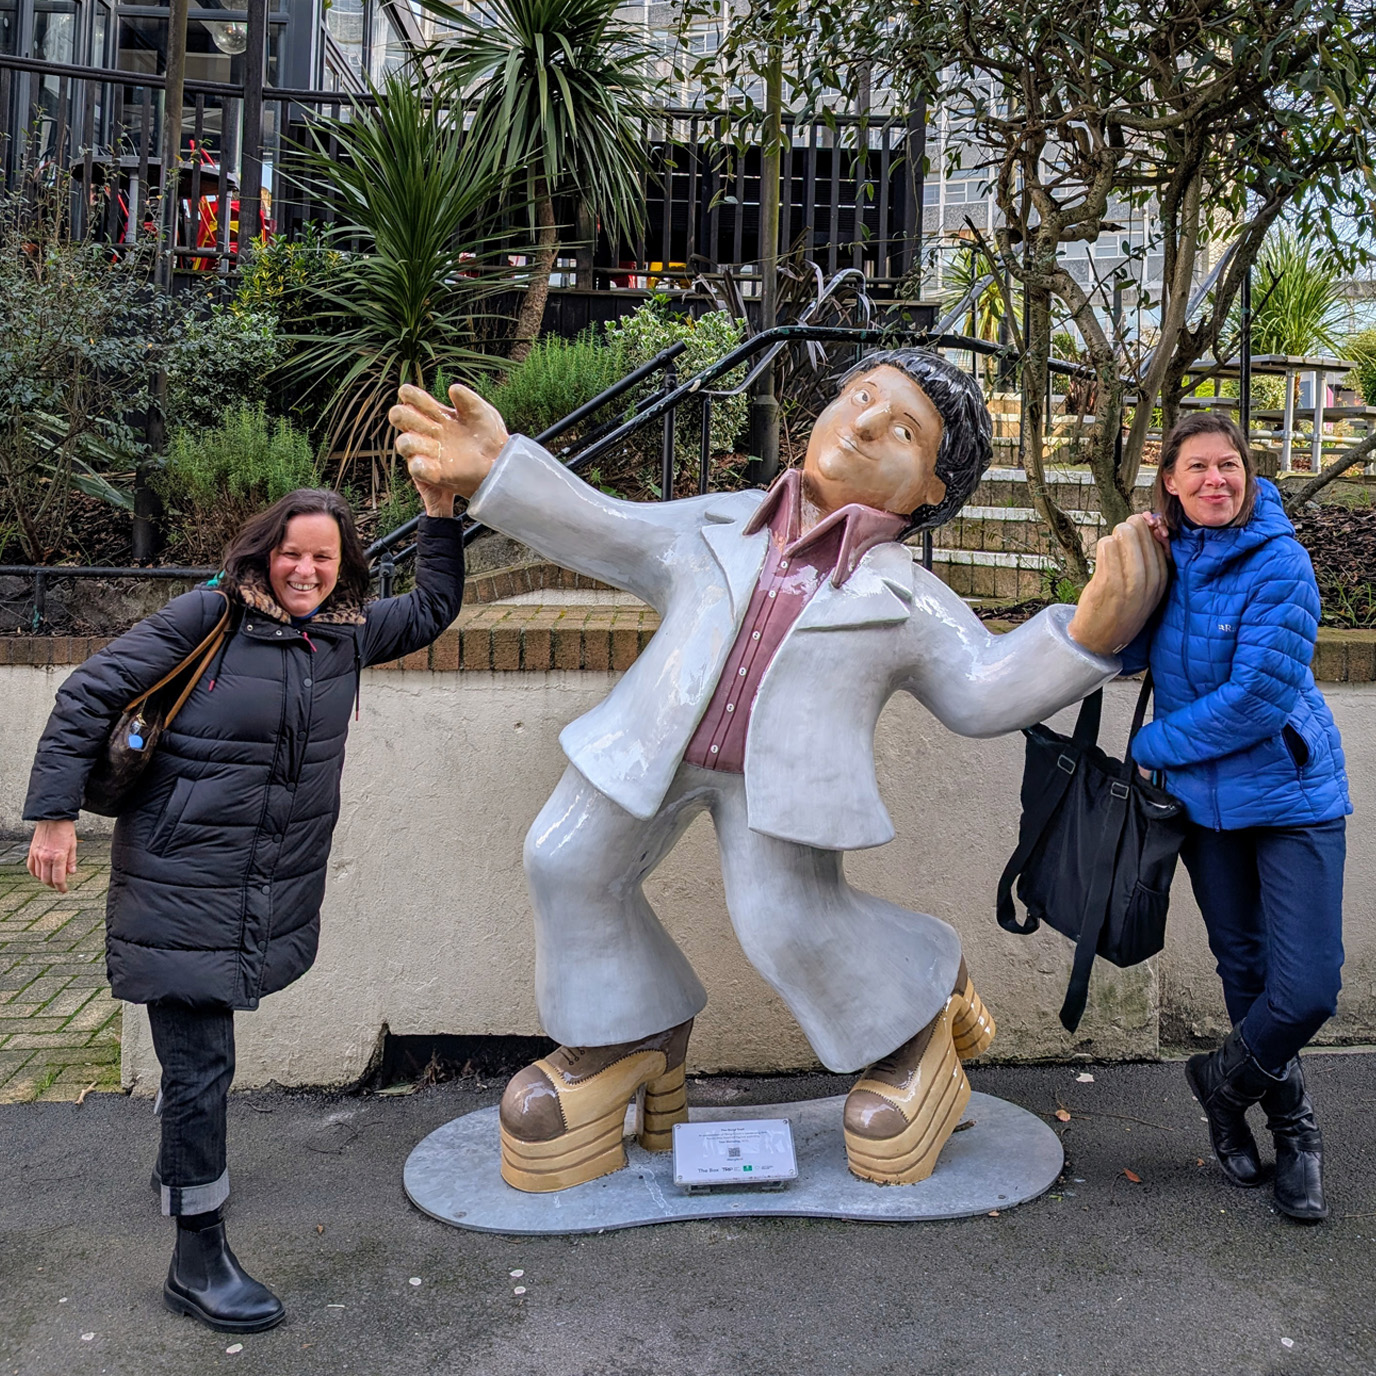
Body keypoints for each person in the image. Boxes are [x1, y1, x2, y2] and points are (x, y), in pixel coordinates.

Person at [390, 348, 1169, 1194]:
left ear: (929, 494)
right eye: (861, 397)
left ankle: (921, 1001)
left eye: (903, 428)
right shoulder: (714, 524)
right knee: (567, 858)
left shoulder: (908, 599)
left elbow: (979, 693)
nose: (867, 421)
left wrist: (1086, 640)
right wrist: (499, 468)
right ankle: (628, 1034)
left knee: (785, 920)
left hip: (782, 787)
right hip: (648, 747)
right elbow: (604, 525)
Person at [23, 479, 464, 1329]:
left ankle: (178, 1170)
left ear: (344, 567)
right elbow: (88, 693)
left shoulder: (343, 635)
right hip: (179, 875)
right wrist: (51, 817)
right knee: (202, 1065)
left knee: (202, 1054)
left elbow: (436, 603)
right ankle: (196, 1256)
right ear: (264, 552)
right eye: (291, 552)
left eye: (322, 556)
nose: (304, 569)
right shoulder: (210, 617)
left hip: (257, 884)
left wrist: (441, 515)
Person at [1121, 413, 1350, 1222]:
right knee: (1246, 974)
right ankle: (1292, 1133)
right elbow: (1116, 644)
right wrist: (1124, 560)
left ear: (1248, 477)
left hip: (1291, 797)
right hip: (1207, 810)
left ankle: (1219, 1082)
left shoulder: (1281, 561)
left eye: (1229, 466)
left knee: (1308, 988)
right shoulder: (1166, 554)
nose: (1215, 480)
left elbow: (1257, 700)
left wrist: (1152, 741)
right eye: (1198, 469)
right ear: (1172, 483)